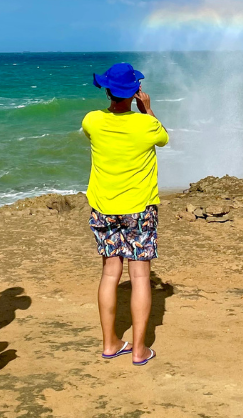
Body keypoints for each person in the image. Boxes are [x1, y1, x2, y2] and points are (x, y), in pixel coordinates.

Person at [83, 63, 169, 366]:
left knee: (109, 273)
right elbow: (163, 139)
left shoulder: (92, 120)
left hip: (104, 206)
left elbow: (96, 130)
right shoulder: (147, 125)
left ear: (107, 90)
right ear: (135, 92)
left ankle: (109, 344)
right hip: (139, 207)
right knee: (140, 276)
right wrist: (147, 109)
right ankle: (139, 349)